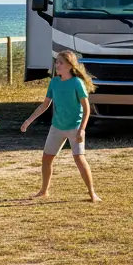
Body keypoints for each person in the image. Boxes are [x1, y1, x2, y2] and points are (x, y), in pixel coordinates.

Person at [21, 50, 101, 203]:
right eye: (56, 62)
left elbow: (86, 108)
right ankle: (44, 191)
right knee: (46, 158)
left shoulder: (77, 83)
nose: (57, 65)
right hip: (57, 127)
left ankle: (92, 193)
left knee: (79, 159)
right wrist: (28, 121)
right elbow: (45, 105)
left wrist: (81, 130)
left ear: (70, 66)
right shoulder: (54, 82)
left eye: (61, 63)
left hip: (74, 128)